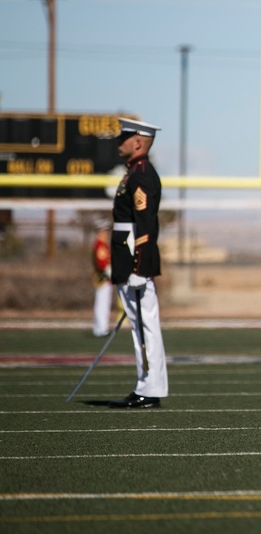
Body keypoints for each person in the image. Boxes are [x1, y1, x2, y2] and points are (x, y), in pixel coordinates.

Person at [108, 118, 168, 409]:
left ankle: (150, 388)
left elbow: (145, 225)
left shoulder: (141, 174)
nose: (119, 143)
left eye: (123, 138)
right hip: (126, 256)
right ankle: (144, 384)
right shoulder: (133, 173)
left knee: (145, 326)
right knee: (139, 326)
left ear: (138, 142)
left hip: (134, 259)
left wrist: (139, 268)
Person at [91, 224, 114, 337]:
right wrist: (110, 272)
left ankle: (101, 327)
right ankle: (101, 328)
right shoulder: (100, 245)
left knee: (104, 303)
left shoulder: (103, 244)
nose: (107, 234)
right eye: (105, 231)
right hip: (103, 278)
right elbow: (102, 263)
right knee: (101, 303)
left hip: (106, 279)